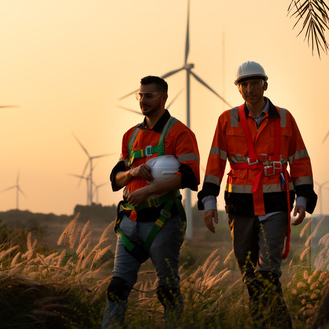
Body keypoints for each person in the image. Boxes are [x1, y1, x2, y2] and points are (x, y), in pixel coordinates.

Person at [198, 61, 317, 329]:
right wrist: (208, 201)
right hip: (239, 205)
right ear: (238, 88)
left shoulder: (285, 118)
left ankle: (279, 324)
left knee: (268, 270)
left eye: (254, 83)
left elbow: (299, 159)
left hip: (276, 201)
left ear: (266, 84)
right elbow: (215, 161)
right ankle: (264, 321)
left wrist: (302, 198)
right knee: (249, 272)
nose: (249, 89)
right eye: (244, 84)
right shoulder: (226, 119)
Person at [102, 75, 200, 328]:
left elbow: (190, 176)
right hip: (129, 222)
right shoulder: (130, 135)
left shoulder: (180, 133)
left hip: (163, 220)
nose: (143, 100)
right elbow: (115, 179)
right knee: (117, 286)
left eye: (149, 95)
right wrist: (132, 173)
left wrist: (150, 190)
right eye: (141, 95)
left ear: (164, 97)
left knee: (167, 289)